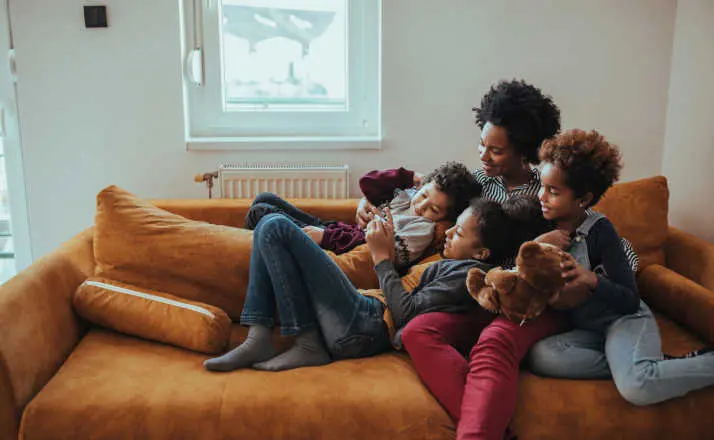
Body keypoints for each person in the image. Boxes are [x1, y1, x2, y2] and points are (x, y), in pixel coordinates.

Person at [400, 79, 565, 440]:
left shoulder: (549, 192)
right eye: (482, 144)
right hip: (478, 297)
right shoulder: (477, 183)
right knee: (415, 331)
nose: (483, 156)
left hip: (521, 302)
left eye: (496, 151)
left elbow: (578, 239)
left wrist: (548, 241)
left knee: (493, 344)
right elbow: (423, 198)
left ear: (524, 152)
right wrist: (373, 205)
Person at [203, 198, 517, 373]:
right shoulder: (447, 258)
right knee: (267, 216)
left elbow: (406, 315)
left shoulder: (469, 275)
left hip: (365, 325)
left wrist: (382, 258)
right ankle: (283, 339)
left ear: (482, 253)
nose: (448, 233)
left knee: (274, 226)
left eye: (459, 233)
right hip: (362, 308)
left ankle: (280, 340)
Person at [528, 129, 714, 406]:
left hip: (624, 320)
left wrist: (591, 281)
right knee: (542, 356)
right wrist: (536, 244)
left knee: (638, 388)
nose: (542, 196)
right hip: (589, 331)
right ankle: (638, 364)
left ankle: (683, 366)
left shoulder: (601, 232)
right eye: (542, 187)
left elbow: (629, 299)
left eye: (553, 191)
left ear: (583, 199)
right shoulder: (541, 223)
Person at [245, 162, 481, 269]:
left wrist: (326, 238)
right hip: (339, 231)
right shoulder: (407, 198)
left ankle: (253, 263)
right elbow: (368, 183)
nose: (422, 207)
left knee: (261, 213)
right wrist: (408, 176)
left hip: (340, 244)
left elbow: (377, 250)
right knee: (265, 198)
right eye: (424, 196)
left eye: (434, 210)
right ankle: (262, 257)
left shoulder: (422, 229)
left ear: (445, 218)